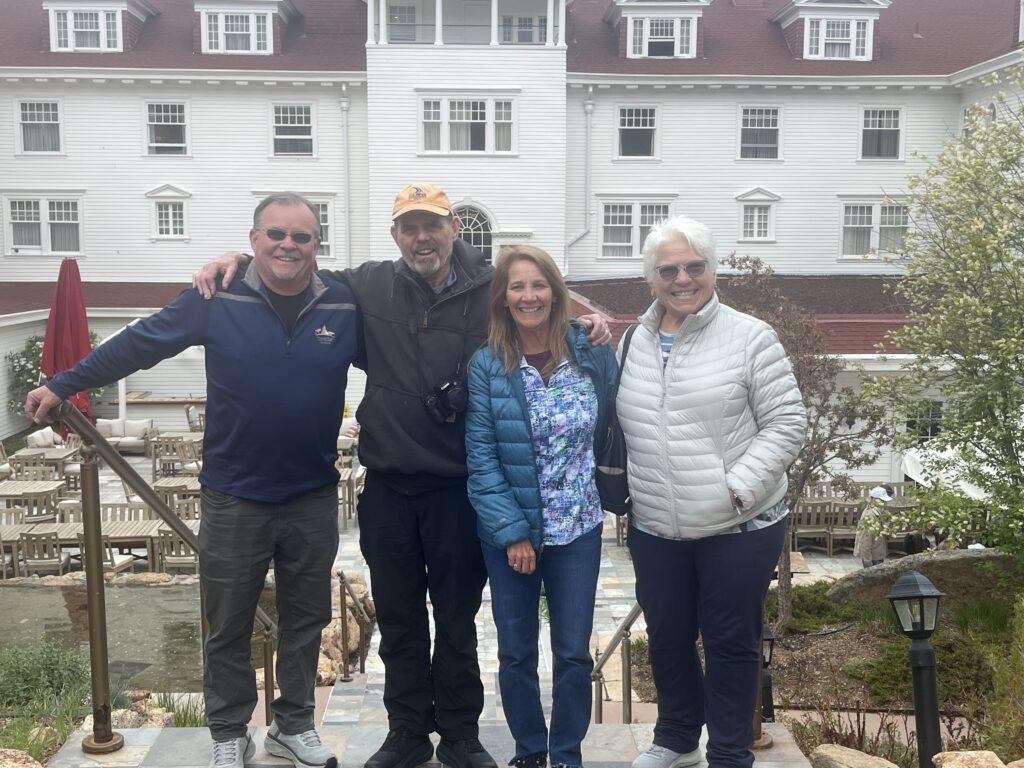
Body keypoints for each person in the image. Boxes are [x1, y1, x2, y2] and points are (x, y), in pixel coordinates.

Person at [191, 183, 612, 768]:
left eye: (433, 225)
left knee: (458, 619)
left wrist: (587, 321)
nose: (422, 237)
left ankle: (461, 734)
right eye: (410, 227)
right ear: (395, 235)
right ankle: (408, 732)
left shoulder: (489, 285)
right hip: (388, 484)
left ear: (453, 230)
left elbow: (536, 295)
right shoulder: (367, 283)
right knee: (399, 619)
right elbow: (292, 266)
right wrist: (236, 262)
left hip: (459, 488)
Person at [25, 192, 356, 768]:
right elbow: (139, 343)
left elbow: (409, 348)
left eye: (302, 237)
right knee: (226, 622)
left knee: (307, 618)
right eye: (276, 234)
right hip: (234, 496)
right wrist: (62, 382)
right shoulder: (215, 296)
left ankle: (293, 725)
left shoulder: (344, 304)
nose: (289, 246)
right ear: (254, 242)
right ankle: (230, 733)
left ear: (317, 246)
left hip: (311, 494)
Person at [615, 215, 806, 768]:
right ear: (650, 278)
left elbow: (787, 423)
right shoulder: (636, 340)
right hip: (656, 523)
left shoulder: (750, 336)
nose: (682, 279)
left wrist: (738, 489)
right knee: (668, 635)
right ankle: (676, 738)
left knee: (728, 641)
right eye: (668, 269)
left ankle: (727, 753)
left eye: (694, 267)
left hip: (737, 525)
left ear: (712, 270)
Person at [465, 246, 618, 768]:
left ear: (556, 291)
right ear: (503, 299)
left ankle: (567, 754)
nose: (528, 296)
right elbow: (481, 459)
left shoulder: (590, 351)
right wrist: (512, 532)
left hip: (579, 526)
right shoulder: (488, 365)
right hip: (512, 535)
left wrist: (601, 325)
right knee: (516, 651)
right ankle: (531, 752)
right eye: (516, 287)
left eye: (538, 285)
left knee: (573, 653)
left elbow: (618, 422)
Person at [854, 485, 893, 567]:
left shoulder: (879, 512)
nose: (884, 503)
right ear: (873, 499)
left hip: (878, 553)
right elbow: (864, 540)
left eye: (884, 501)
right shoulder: (869, 515)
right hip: (873, 557)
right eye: (881, 500)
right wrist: (867, 561)